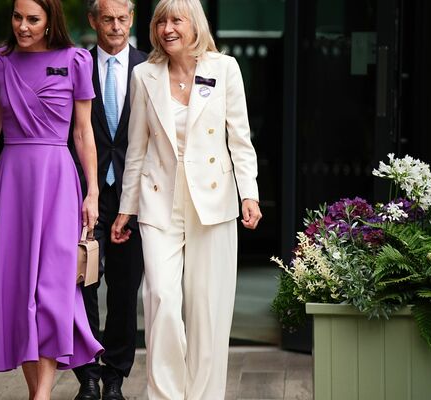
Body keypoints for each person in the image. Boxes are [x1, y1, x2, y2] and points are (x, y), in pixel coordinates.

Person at [110, 0, 262, 398]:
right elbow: (137, 148)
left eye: (177, 20)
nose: (167, 28)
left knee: (207, 310)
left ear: (196, 25)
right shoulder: (144, 75)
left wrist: (250, 195)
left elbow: (240, 140)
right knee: (160, 297)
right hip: (159, 200)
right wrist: (126, 209)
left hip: (212, 201)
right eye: (161, 21)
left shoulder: (224, 69)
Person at [0, 0, 104, 398]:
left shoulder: (77, 60)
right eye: (17, 17)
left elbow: (82, 133)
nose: (23, 26)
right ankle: (37, 393)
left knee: (52, 288)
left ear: (49, 22)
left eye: (32, 19)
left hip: (59, 181)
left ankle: (41, 394)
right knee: (17, 288)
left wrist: (92, 191)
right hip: (13, 182)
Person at [67, 1, 146, 399]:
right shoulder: (75, 64)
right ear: (93, 21)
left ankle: (115, 374)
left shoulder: (151, 68)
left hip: (134, 196)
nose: (116, 27)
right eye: (108, 19)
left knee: (124, 288)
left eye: (123, 19)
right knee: (82, 284)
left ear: (131, 20)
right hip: (84, 193)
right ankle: (89, 375)